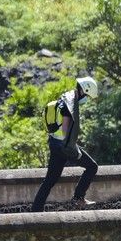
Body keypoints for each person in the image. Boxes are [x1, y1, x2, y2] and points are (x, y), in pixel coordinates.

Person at [32, 76, 100, 212]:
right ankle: (78, 198)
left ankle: (35, 211)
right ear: (84, 90)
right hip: (63, 147)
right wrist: (75, 152)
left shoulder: (65, 98)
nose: (86, 99)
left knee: (49, 181)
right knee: (92, 167)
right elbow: (65, 133)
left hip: (54, 143)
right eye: (87, 95)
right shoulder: (69, 106)